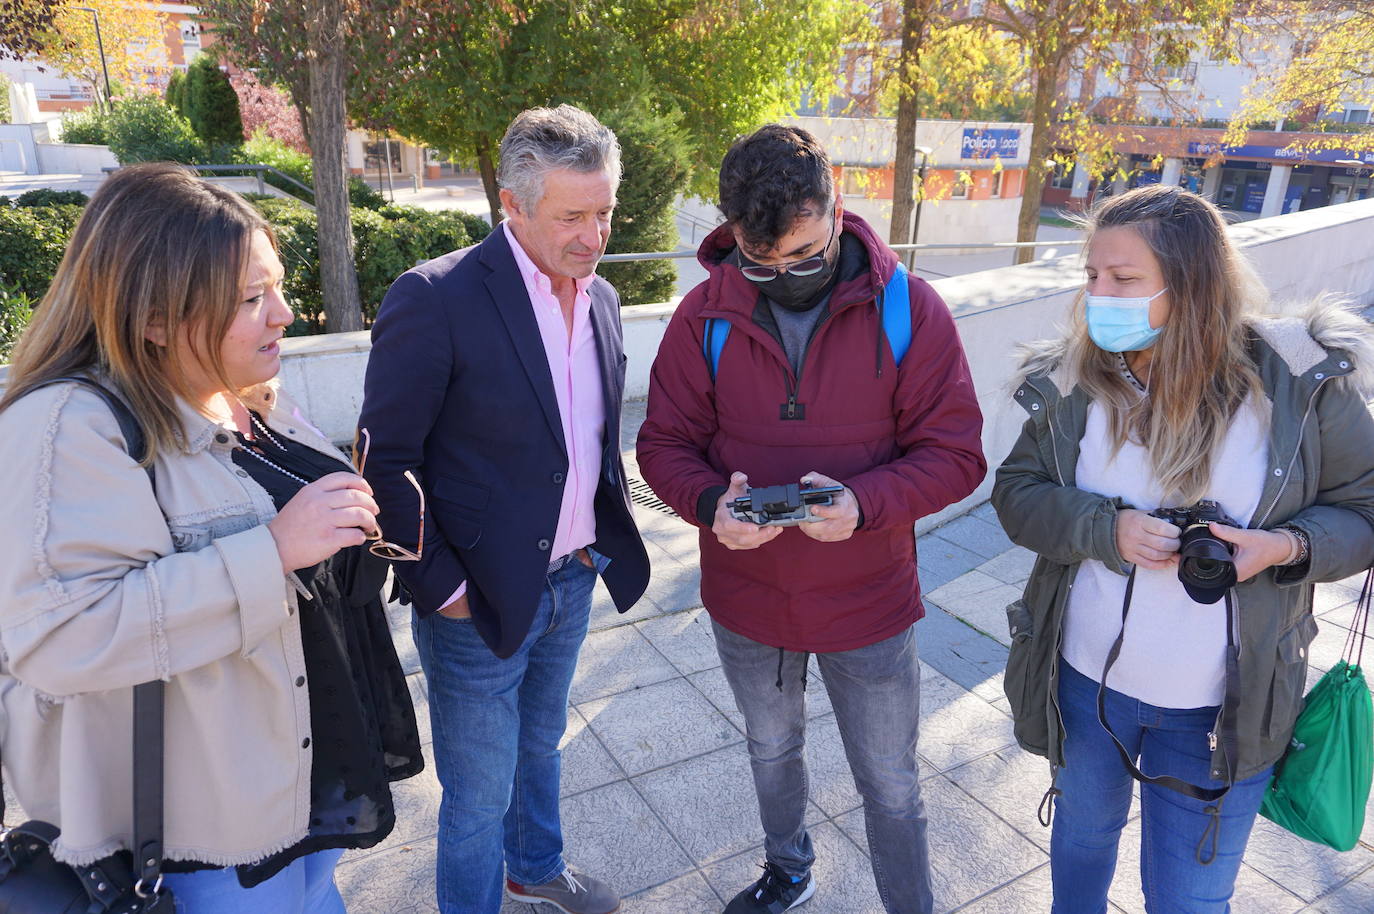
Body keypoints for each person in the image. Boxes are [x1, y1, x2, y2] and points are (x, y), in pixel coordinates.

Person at [0, 163, 423, 911]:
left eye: (278, 287)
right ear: (155, 317)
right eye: (252, 299)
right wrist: (273, 551)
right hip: (206, 839)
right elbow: (62, 638)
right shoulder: (71, 426)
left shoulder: (235, 394)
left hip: (296, 787)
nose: (286, 314)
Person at [992, 184, 1374, 913]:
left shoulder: (1298, 380)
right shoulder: (1076, 380)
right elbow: (1017, 493)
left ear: (1192, 284)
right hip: (1085, 687)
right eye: (1092, 276)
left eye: (1123, 279)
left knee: (1190, 899)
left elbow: (1366, 505)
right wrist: (1106, 530)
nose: (1098, 294)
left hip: (1223, 713)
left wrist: (1286, 546)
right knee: (1078, 851)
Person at [636, 124, 986, 914]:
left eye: (804, 255)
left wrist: (866, 504)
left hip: (870, 601)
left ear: (835, 204)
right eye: (760, 263)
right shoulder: (702, 318)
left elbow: (958, 454)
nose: (784, 276)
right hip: (749, 599)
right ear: (730, 234)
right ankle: (788, 871)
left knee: (892, 782)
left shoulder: (910, 309)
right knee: (770, 751)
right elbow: (663, 443)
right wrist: (706, 505)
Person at [356, 104, 651, 914]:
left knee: (542, 749)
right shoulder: (435, 297)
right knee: (478, 797)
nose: (594, 236)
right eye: (572, 216)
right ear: (512, 207)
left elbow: (584, 439)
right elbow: (385, 463)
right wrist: (442, 589)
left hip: (573, 581)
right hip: (474, 600)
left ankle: (536, 869)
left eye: (605, 212)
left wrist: (594, 548)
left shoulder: (603, 298)